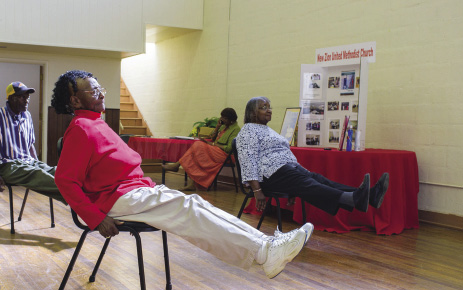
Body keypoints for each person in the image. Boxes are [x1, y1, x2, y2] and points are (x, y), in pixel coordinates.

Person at [51, 70, 314, 279]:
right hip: (115, 198)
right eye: (93, 89)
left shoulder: (96, 123)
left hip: (133, 191)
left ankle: (265, 245)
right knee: (190, 208)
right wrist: (95, 218)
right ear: (75, 100)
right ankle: (264, 252)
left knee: (195, 204)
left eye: (101, 88)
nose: (100, 93)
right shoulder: (81, 129)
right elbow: (65, 180)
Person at [236, 96, 389, 215]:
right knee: (309, 184)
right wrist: (257, 191)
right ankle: (355, 198)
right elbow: (248, 161)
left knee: (318, 179)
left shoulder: (267, 130)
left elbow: (286, 154)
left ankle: (369, 196)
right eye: (264, 107)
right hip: (269, 175)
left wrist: (296, 178)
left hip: (286, 171)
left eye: (269, 107)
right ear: (252, 112)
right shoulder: (247, 132)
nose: (269, 110)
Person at [0, 82, 65, 203]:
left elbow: (30, 146)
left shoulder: (27, 116)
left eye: (27, 97)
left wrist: (38, 163)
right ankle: (79, 196)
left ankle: (86, 191)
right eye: (22, 97)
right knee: (37, 174)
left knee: (56, 171)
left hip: (28, 162)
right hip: (8, 165)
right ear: (11, 98)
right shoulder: (0, 116)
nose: (27, 100)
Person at [162, 108, 240, 191]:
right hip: (215, 151)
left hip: (225, 155)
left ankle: (177, 165)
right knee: (196, 153)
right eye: (221, 117)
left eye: (224, 118)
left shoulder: (236, 130)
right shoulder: (223, 127)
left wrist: (212, 144)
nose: (222, 119)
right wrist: (217, 127)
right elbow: (212, 138)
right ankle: (191, 183)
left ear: (231, 119)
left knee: (198, 145)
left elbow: (228, 148)